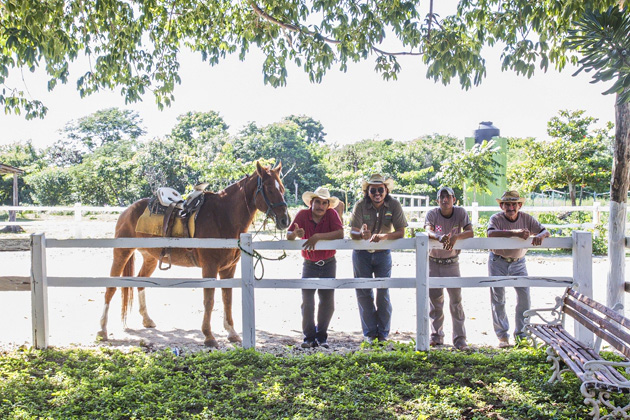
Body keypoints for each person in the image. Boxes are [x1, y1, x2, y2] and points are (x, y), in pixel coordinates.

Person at [487, 190, 550, 348]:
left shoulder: (526, 218)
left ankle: (521, 335)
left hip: (519, 262)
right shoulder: (496, 218)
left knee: (524, 297)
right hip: (498, 260)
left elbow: (544, 230)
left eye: (513, 204)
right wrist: (514, 233)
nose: (510, 207)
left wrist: (540, 236)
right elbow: (490, 233)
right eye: (507, 204)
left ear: (519, 205)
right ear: (502, 206)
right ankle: (502, 336)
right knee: (498, 298)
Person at [350, 173, 407, 343]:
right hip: (361, 254)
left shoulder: (394, 205)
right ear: (367, 191)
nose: (377, 193)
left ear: (386, 190)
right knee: (363, 292)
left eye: (380, 190)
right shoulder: (360, 205)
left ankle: (382, 333)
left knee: (383, 292)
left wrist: (383, 237)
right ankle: (369, 333)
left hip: (383, 253)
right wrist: (361, 234)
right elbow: (352, 231)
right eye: (373, 190)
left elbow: (401, 232)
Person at [287, 186, 344, 349]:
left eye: (324, 203)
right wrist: (295, 234)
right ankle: (308, 337)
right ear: (311, 203)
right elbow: (289, 234)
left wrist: (317, 237)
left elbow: (340, 233)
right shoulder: (302, 215)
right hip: (310, 264)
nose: (320, 206)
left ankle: (322, 336)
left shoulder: (332, 214)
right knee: (307, 301)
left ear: (328, 205)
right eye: (317, 202)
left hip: (328, 262)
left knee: (327, 302)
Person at [424, 186, 474, 350]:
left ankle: (460, 339)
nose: (445, 200)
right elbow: (427, 229)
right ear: (437, 200)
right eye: (441, 197)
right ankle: (436, 336)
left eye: (448, 197)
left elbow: (470, 232)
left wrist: (455, 237)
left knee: (456, 302)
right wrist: (439, 237)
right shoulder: (432, 213)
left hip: (452, 262)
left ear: (454, 199)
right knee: (435, 302)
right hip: (433, 261)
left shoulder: (460, 213)